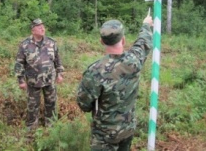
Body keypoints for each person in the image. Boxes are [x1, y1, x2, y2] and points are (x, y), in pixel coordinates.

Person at [76, 15, 153, 151]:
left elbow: (84, 104)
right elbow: (143, 42)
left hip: (104, 135)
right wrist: (146, 25)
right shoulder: (134, 60)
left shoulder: (95, 71)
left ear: (101, 41)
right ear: (123, 40)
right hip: (127, 129)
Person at [14, 18, 64, 129]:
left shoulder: (51, 43)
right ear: (33, 30)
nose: (42, 28)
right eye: (39, 27)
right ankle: (32, 128)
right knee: (32, 106)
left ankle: (50, 127)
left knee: (51, 104)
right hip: (33, 82)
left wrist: (60, 74)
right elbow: (19, 64)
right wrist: (21, 80)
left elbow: (57, 60)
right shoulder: (25, 45)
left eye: (43, 26)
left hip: (49, 81)